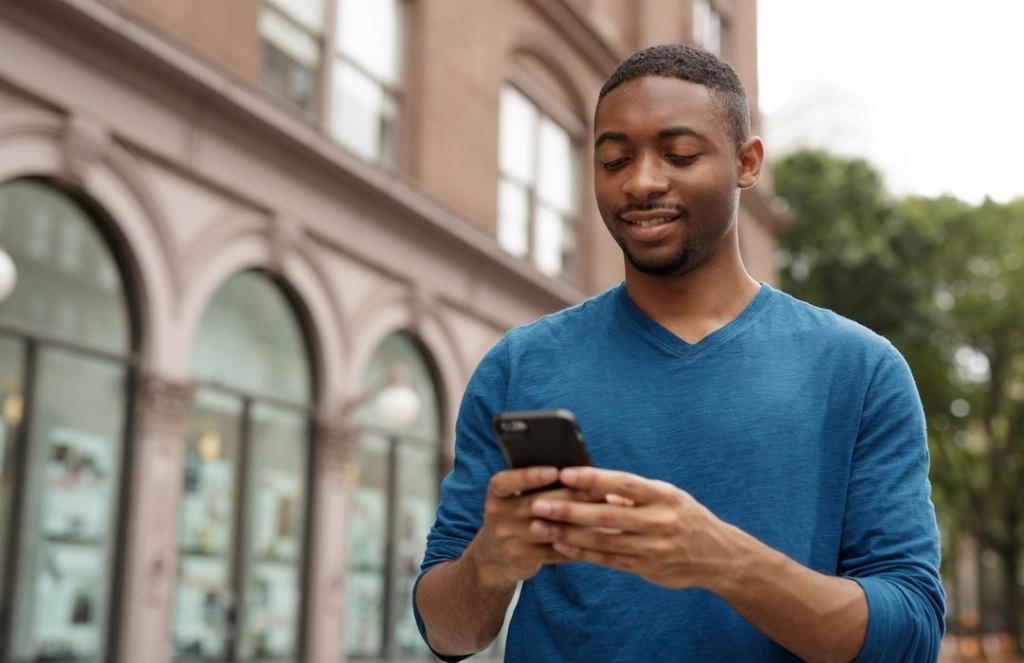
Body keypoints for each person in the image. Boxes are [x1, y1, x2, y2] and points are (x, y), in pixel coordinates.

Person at [413, 43, 945, 661]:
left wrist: (722, 560)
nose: (640, 181)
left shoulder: (860, 369)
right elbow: (447, 633)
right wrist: (490, 562)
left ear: (747, 163)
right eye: (614, 159)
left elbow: (909, 636)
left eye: (680, 154)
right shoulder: (519, 364)